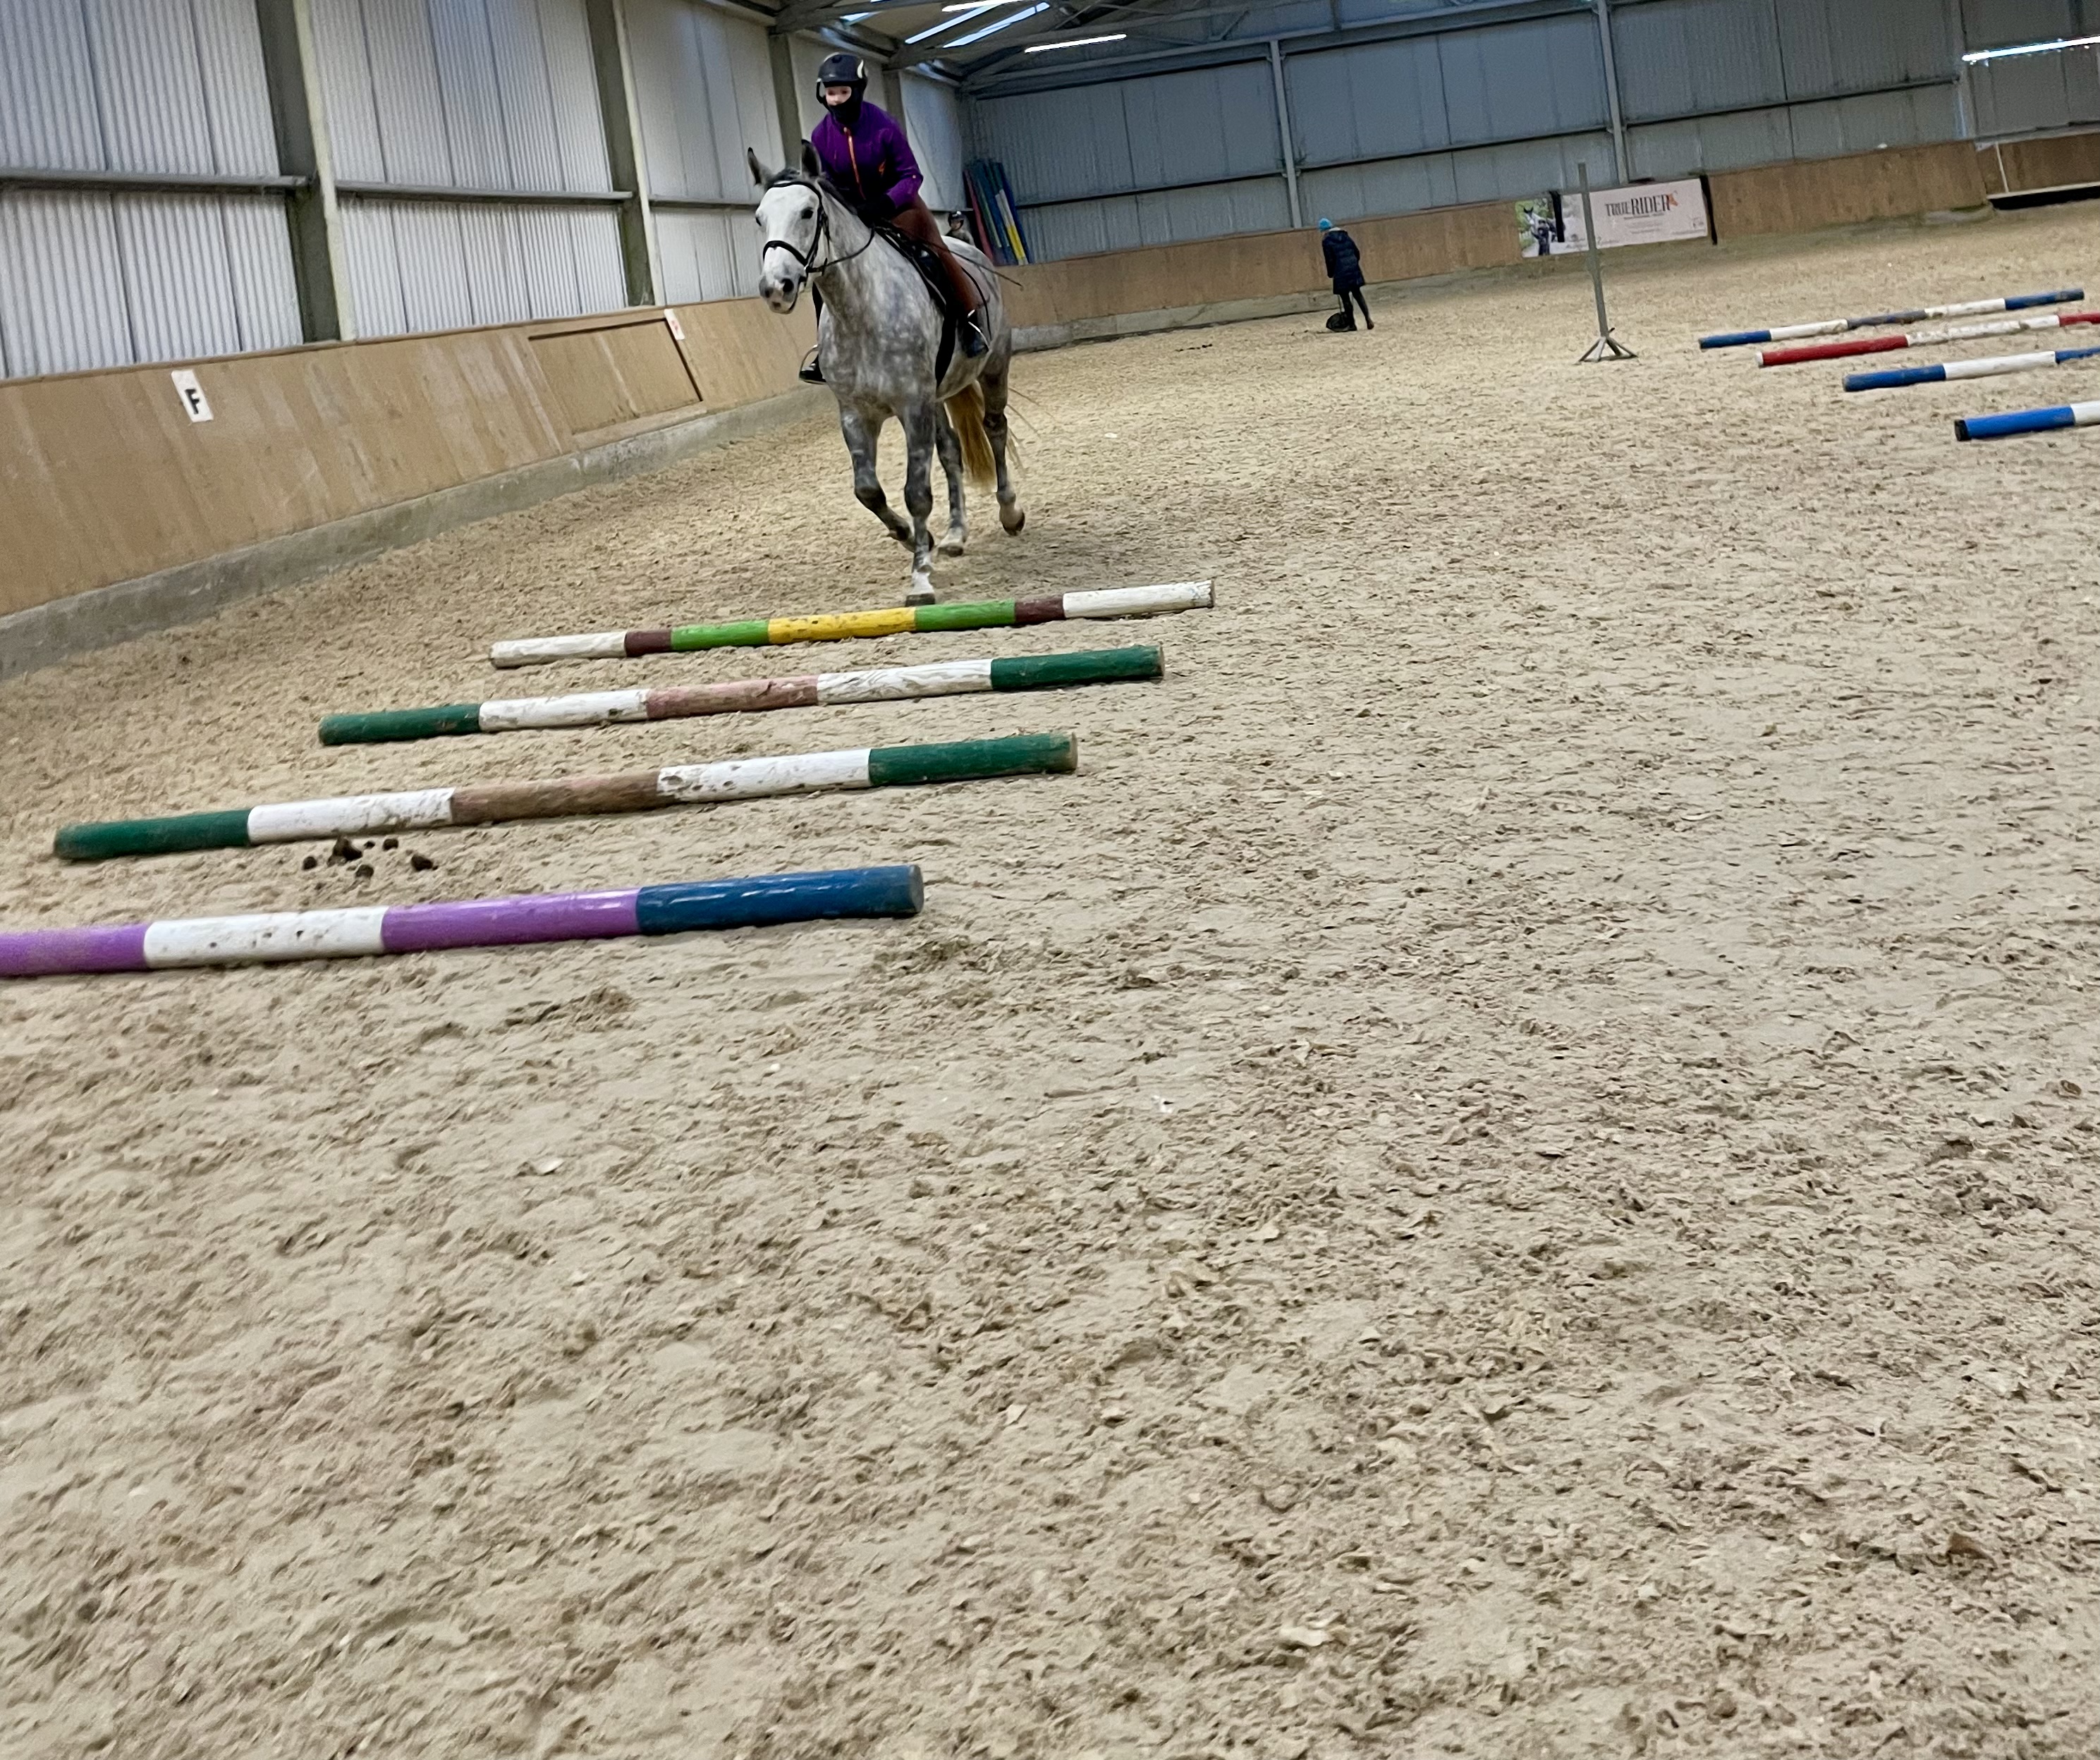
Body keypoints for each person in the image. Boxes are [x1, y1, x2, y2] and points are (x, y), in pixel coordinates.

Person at [801, 53, 987, 384]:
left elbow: (911, 175)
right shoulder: (820, 136)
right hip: (854, 214)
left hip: (900, 206)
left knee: (936, 254)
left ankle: (969, 322)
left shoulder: (884, 126)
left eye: (843, 92)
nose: (836, 99)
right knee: (825, 275)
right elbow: (825, 180)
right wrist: (846, 209)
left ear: (857, 91)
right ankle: (824, 349)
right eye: (831, 93)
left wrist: (884, 203)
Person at [1319, 218, 1372, 331]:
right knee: (1358, 294)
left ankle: (1352, 324)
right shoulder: (1345, 236)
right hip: (1353, 268)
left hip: (1340, 272)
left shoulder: (1327, 241)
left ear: (1323, 230)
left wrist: (1331, 273)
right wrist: (1353, 264)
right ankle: (1368, 319)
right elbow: (1356, 252)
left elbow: (1330, 259)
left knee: (1345, 298)